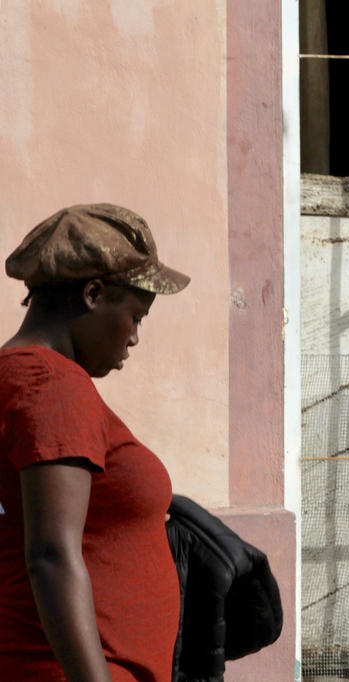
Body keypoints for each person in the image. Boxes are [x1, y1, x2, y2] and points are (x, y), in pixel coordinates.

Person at [0, 204, 190, 681]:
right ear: (93, 294)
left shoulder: (20, 376)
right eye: (136, 316)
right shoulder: (52, 385)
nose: (135, 337)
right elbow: (50, 556)